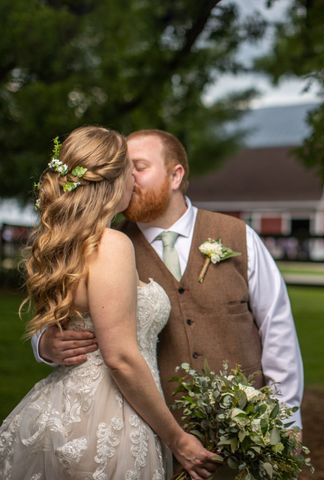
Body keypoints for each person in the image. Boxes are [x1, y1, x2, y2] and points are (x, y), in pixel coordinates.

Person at [33, 129, 305, 478]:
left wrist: (286, 419)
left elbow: (277, 328)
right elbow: (60, 307)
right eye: (123, 168)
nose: (129, 177)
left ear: (176, 175)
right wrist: (43, 343)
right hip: (151, 427)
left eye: (139, 167)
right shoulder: (105, 242)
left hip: (242, 433)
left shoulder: (238, 235)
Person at [0, 126, 216, 479]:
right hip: (107, 418)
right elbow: (120, 357)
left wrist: (44, 340)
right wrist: (177, 439)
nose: (135, 179)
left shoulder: (65, 244)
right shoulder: (111, 243)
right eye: (131, 169)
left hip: (61, 411)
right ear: (116, 179)